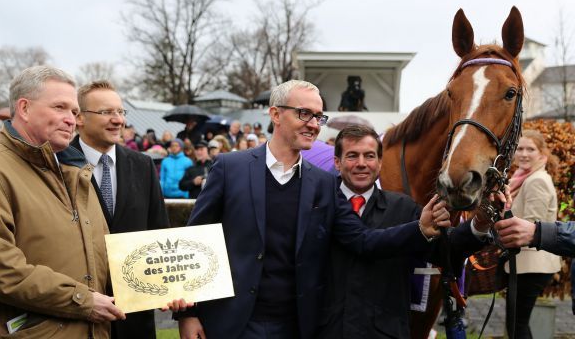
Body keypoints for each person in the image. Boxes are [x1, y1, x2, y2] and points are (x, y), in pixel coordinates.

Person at [176, 80, 451, 339]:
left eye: (318, 117)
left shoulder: (324, 183)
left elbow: (362, 240)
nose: (313, 125)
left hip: (297, 326)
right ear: (275, 114)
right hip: (231, 322)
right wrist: (187, 314)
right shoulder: (229, 168)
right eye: (304, 114)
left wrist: (419, 229)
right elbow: (195, 239)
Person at [0, 65, 125, 338]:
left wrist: (158, 289)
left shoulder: (76, 173)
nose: (71, 119)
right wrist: (82, 301)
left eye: (74, 112)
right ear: (24, 108)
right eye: (60, 107)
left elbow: (99, 258)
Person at [319, 125, 488, 338]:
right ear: (337, 162)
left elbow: (444, 252)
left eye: (369, 156)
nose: (361, 164)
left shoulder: (404, 207)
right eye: (352, 156)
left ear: (380, 163)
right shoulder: (317, 202)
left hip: (385, 332)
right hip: (327, 330)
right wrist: (418, 231)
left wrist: (480, 224)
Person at [71, 80, 170, 339]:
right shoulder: (58, 163)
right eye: (106, 112)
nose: (118, 120)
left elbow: (158, 232)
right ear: (79, 118)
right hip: (79, 314)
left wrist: (171, 285)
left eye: (121, 112)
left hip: (135, 316)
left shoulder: (143, 165)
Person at [494, 130, 561, 338]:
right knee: (516, 324)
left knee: (517, 325)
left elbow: (532, 227)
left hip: (532, 265)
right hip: (527, 264)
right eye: (520, 149)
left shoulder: (536, 181)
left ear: (542, 154)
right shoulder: (523, 178)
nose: (523, 154)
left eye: (530, 149)